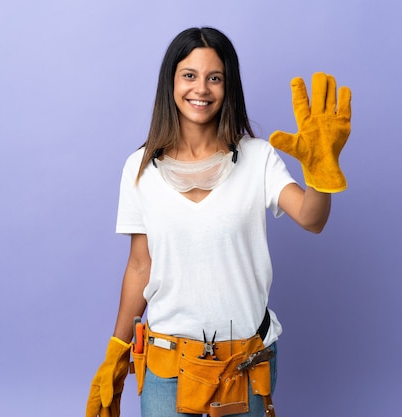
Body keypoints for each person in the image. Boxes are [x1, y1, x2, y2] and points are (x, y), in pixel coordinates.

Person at [86, 27, 351, 417]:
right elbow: (140, 265)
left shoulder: (258, 158)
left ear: (229, 87)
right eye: (189, 75)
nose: (202, 89)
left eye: (215, 78)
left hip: (245, 364)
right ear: (171, 82)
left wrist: (320, 174)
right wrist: (118, 352)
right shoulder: (139, 168)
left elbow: (312, 220)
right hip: (166, 363)